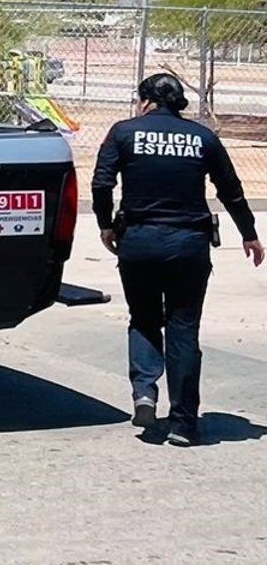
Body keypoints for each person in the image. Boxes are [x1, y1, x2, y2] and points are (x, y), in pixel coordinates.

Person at [92, 72, 263, 446]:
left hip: (138, 242)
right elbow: (230, 189)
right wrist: (249, 233)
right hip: (188, 245)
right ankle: (183, 423)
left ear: (146, 101)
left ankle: (145, 392)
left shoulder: (123, 132)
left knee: (143, 319)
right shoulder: (203, 137)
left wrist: (105, 225)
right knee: (183, 329)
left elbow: (102, 183)